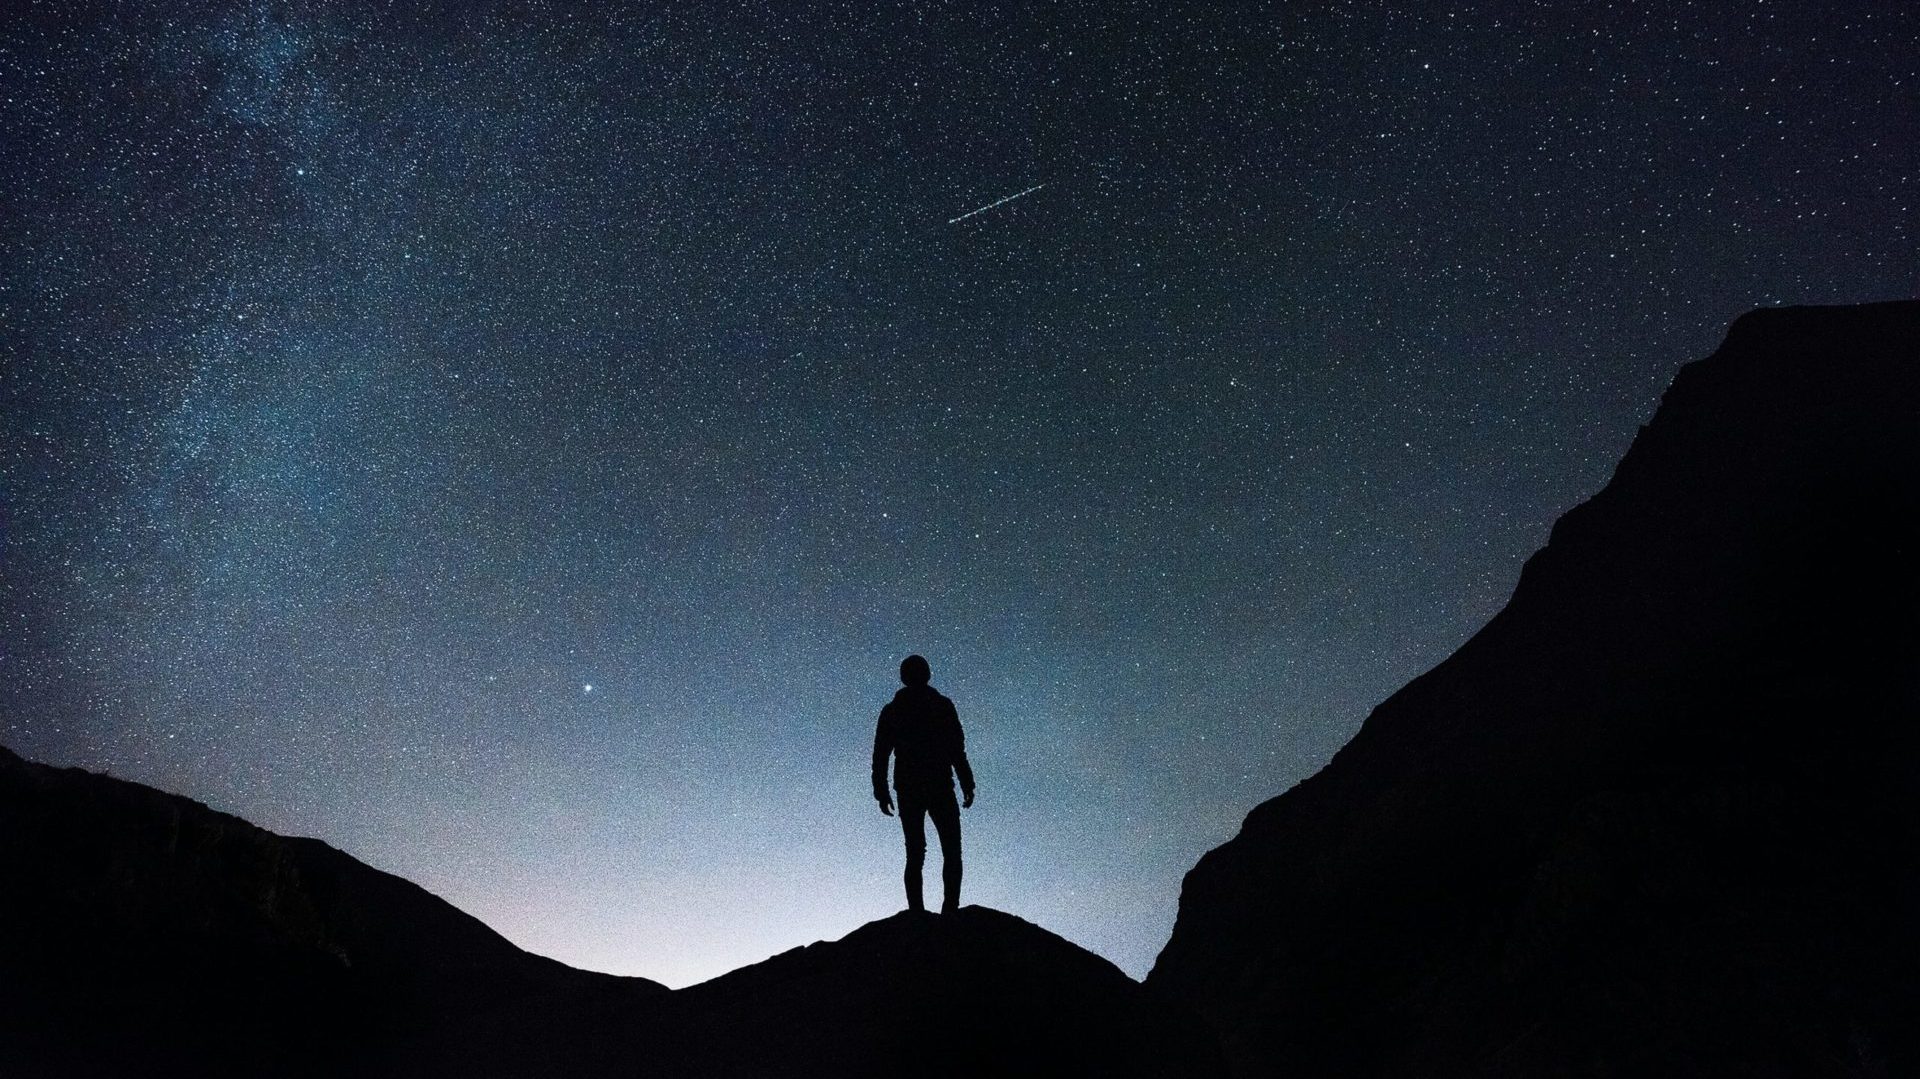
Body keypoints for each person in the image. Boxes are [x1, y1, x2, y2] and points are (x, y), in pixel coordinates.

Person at [871, 654, 975, 914]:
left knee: (921, 852)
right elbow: (956, 749)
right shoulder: (938, 706)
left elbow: (881, 754)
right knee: (942, 851)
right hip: (929, 785)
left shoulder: (898, 710)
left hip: (918, 786)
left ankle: (928, 910)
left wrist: (881, 789)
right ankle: (943, 909)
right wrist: (966, 781)